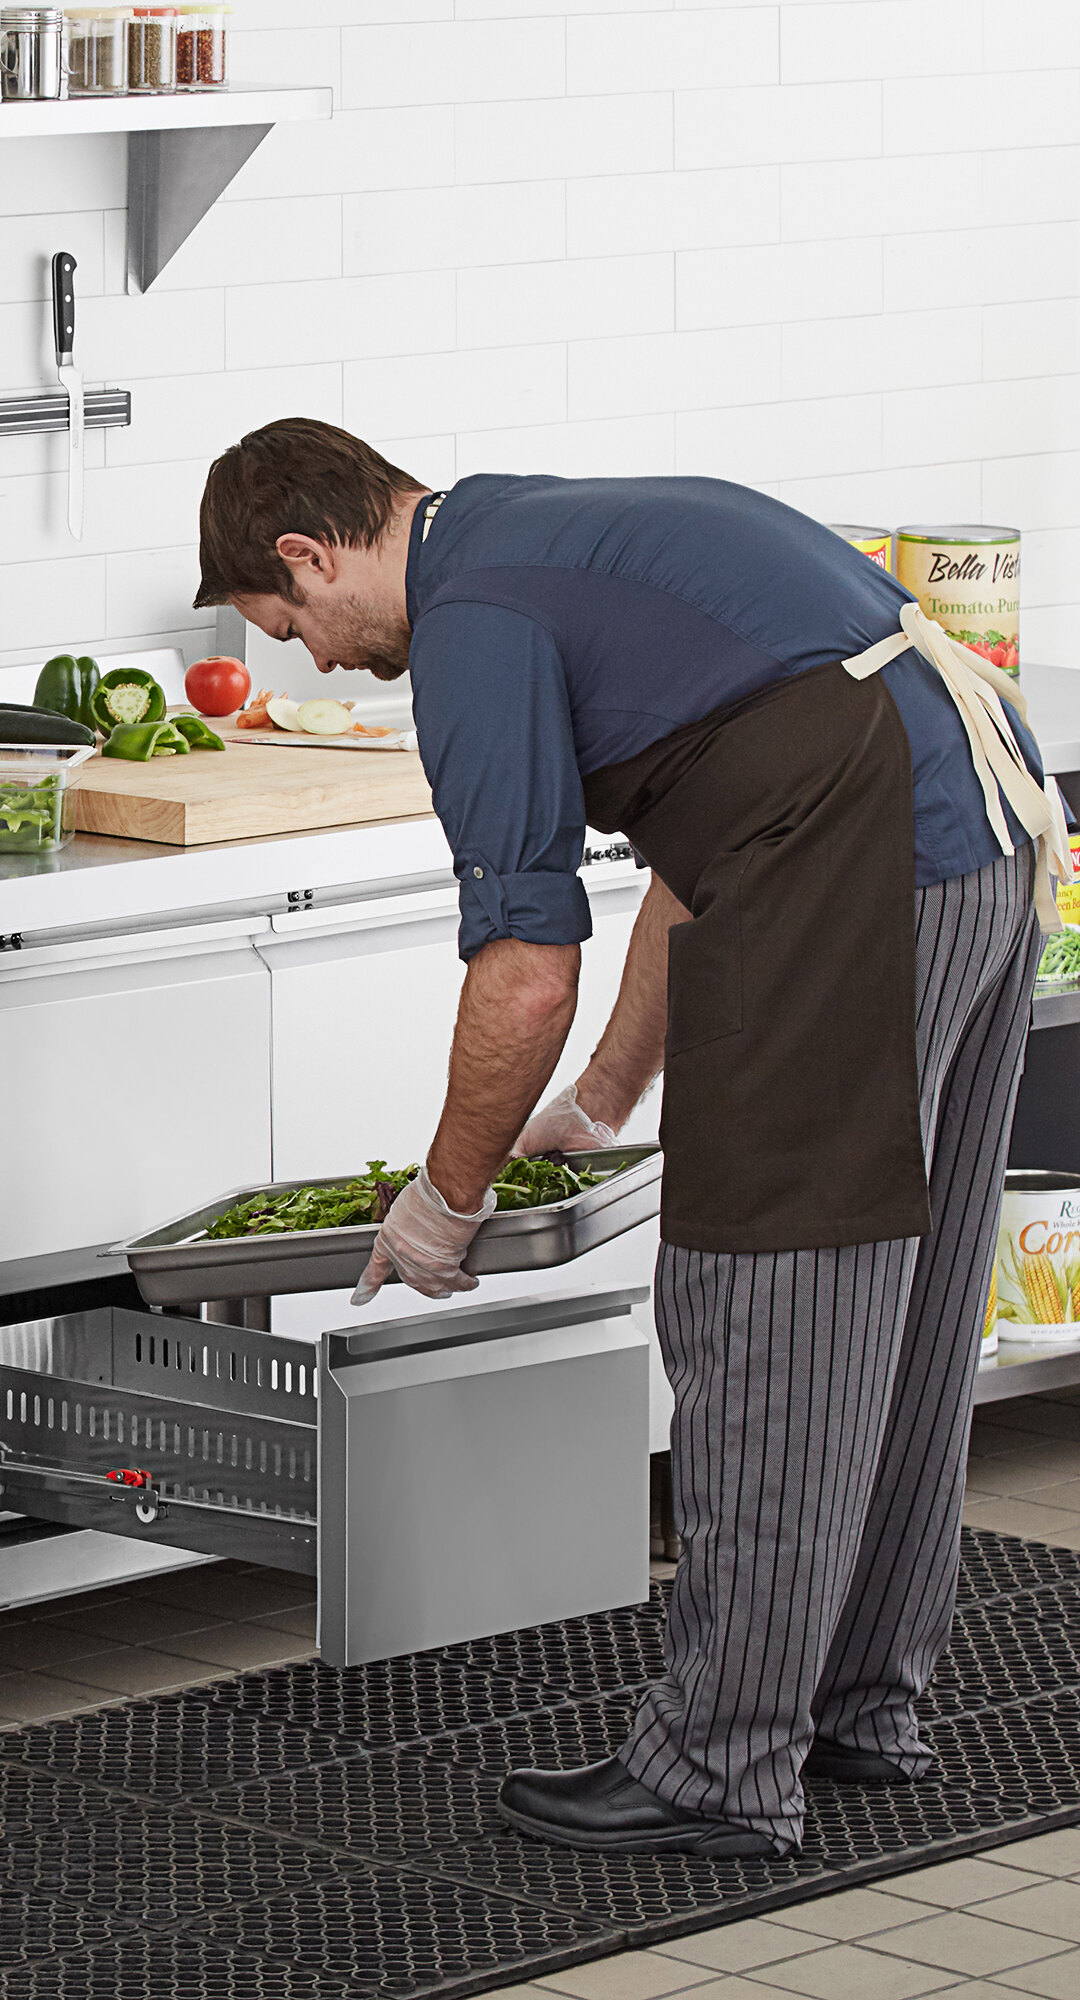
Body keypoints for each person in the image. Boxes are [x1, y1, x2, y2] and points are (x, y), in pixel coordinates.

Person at [194, 419, 1069, 1858]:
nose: (312, 655)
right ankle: (855, 1704)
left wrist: (442, 1198)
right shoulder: (532, 534)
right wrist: (607, 1095)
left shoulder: (469, 627)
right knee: (896, 1308)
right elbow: (699, 833)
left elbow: (526, 966)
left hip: (860, 862)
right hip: (978, 834)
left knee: (768, 1305)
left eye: (288, 621)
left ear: (310, 551)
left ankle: (722, 1768)